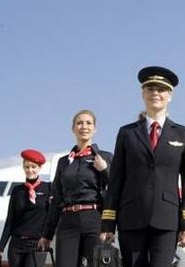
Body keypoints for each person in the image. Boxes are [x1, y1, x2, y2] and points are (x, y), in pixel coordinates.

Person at [100, 66, 185, 267]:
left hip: (167, 219)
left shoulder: (182, 134)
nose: (155, 93)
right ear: (143, 94)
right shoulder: (127, 133)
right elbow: (116, 179)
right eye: (150, 89)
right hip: (131, 216)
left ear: (170, 95)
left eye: (161, 89)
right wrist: (108, 222)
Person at [38, 110, 113, 267]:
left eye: (88, 123)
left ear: (95, 128)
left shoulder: (105, 157)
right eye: (79, 123)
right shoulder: (64, 162)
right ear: (73, 128)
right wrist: (47, 234)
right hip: (67, 221)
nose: (83, 126)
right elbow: (57, 198)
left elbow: (114, 190)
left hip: (94, 218)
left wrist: (104, 169)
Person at [0, 149, 51, 267]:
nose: (30, 170)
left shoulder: (48, 189)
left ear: (39, 168)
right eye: (27, 167)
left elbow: (52, 217)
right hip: (16, 245)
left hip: (37, 243)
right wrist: (0, 248)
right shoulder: (17, 191)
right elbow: (10, 220)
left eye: (33, 167)